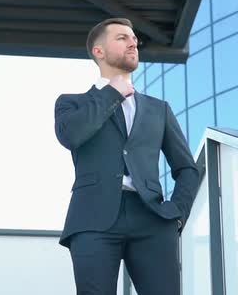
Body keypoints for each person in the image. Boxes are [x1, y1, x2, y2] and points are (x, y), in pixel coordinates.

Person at [54, 17, 199, 295]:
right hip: (92, 218)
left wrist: (177, 214)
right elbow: (71, 136)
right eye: (122, 38)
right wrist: (112, 93)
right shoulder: (71, 103)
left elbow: (187, 168)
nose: (133, 42)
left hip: (152, 218)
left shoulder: (160, 109)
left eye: (134, 39)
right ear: (99, 51)